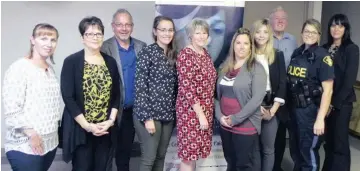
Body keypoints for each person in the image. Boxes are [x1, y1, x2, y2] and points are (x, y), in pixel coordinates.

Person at [60, 16, 120, 171]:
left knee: (102, 167)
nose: (95, 37)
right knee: (82, 167)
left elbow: (116, 95)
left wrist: (111, 121)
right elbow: (68, 97)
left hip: (105, 128)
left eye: (99, 34)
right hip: (81, 129)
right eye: (90, 34)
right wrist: (87, 126)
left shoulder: (110, 62)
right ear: (82, 38)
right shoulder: (71, 62)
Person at [2, 23, 61, 171]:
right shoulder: (20, 68)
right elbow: (12, 109)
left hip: (49, 143)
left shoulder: (50, 69)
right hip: (26, 144)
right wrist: (31, 134)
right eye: (43, 38)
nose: (49, 44)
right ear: (33, 40)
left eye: (53, 40)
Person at [101, 8, 147, 171]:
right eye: (120, 24)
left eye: (127, 24)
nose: (124, 28)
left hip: (131, 110)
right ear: (113, 26)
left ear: (132, 27)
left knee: (124, 154)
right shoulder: (104, 48)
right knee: (105, 153)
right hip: (110, 110)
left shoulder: (141, 47)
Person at [215, 27, 267, 171]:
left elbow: (256, 99)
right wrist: (220, 117)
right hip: (226, 124)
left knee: (243, 166)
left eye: (245, 43)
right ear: (233, 45)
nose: (242, 46)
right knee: (230, 161)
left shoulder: (257, 68)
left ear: (251, 46)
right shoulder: (224, 67)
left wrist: (236, 119)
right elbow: (216, 97)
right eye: (238, 43)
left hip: (246, 125)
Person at [287, 19, 334, 171]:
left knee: (308, 154)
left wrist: (320, 119)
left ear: (319, 35)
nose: (309, 35)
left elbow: (328, 90)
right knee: (296, 151)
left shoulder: (323, 57)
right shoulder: (297, 53)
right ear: (301, 33)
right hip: (294, 110)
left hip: (311, 112)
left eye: (314, 32)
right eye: (307, 31)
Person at [133, 15, 177, 171]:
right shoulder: (147, 52)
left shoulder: (174, 54)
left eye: (170, 30)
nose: (167, 33)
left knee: (160, 157)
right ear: (155, 31)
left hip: (168, 114)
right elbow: (140, 86)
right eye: (163, 30)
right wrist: (147, 118)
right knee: (148, 159)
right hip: (149, 114)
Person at [176, 18, 217, 171]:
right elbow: (187, 88)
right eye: (197, 33)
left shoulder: (205, 54)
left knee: (195, 155)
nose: (201, 36)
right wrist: (200, 115)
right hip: (191, 112)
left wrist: (205, 113)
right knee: (188, 155)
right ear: (190, 35)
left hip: (205, 110)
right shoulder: (186, 54)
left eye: (204, 33)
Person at [322, 14, 359, 171]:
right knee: (328, 142)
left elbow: (349, 81)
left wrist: (333, 104)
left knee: (340, 143)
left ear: (346, 29)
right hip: (325, 102)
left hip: (341, 103)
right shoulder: (324, 48)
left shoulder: (351, 49)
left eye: (340, 25)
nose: (336, 29)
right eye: (333, 25)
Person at [251, 19, 287, 171]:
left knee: (268, 149)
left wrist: (273, 111)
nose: (261, 35)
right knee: (254, 149)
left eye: (265, 32)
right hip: (252, 107)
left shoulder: (277, 55)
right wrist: (255, 106)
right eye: (258, 31)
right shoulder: (247, 55)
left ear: (270, 34)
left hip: (272, 107)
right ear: (253, 34)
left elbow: (282, 83)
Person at [269, 6, 298, 171]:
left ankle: (277, 166)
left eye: (283, 19)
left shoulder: (293, 40)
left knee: (284, 133)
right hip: (271, 94)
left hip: (289, 94)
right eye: (277, 18)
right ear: (271, 21)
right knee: (270, 132)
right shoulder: (265, 38)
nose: (280, 21)